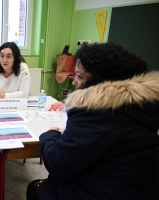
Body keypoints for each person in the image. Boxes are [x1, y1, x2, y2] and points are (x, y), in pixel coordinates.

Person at [27, 42, 159, 200]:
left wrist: (49, 135)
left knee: (36, 188)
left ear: (102, 82)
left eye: (80, 76)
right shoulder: (140, 106)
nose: (74, 81)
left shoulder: (95, 112)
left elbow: (57, 164)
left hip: (100, 192)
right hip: (134, 190)